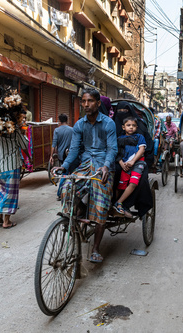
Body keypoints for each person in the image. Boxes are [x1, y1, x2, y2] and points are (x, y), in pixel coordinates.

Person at [55, 88, 117, 264]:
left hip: (103, 167)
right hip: (85, 165)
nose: (86, 104)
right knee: (67, 187)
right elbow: (74, 150)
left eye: (90, 101)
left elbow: (112, 148)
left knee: (101, 204)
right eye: (83, 101)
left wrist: (106, 166)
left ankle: (95, 249)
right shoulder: (79, 125)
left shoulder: (108, 124)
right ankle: (75, 217)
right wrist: (64, 166)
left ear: (98, 103)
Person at [0, 126, 29, 229]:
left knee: (3, 190)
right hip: (12, 166)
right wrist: (23, 133)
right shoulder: (14, 131)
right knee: (11, 193)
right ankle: (6, 222)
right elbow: (25, 144)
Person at [113, 117, 146, 219]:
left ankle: (119, 203)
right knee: (121, 185)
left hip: (137, 163)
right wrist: (122, 163)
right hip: (125, 165)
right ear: (123, 127)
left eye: (133, 125)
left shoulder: (139, 137)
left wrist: (133, 161)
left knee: (133, 183)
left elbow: (142, 149)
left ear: (136, 127)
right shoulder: (119, 139)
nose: (131, 127)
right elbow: (117, 153)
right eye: (128, 125)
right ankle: (115, 203)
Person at [50, 113, 74, 199]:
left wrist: (51, 156)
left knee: (64, 173)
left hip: (61, 155)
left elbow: (54, 144)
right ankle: (61, 193)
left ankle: (61, 192)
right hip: (70, 154)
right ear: (67, 120)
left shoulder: (57, 130)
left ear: (59, 120)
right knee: (68, 173)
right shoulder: (72, 129)